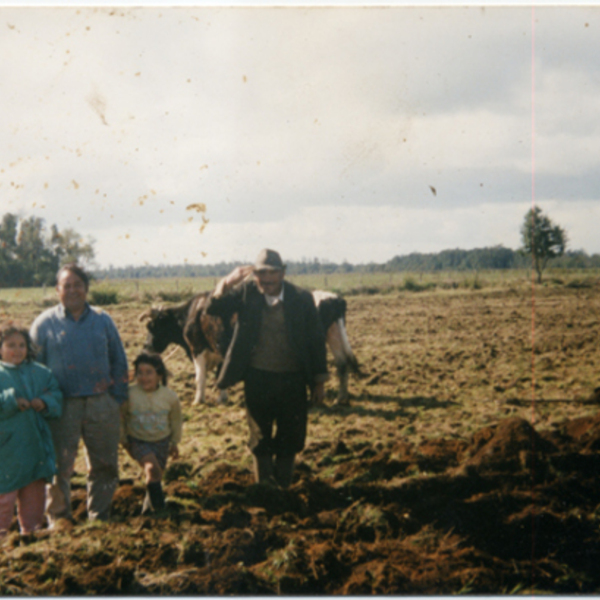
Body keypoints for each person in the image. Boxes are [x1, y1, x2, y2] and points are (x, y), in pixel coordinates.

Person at [206, 248, 328, 488]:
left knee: (290, 437)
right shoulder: (247, 293)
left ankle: (283, 487)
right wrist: (226, 283)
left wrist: (319, 381)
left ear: (283, 273)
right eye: (261, 273)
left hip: (293, 379)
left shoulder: (301, 298)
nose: (267, 279)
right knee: (260, 436)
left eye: (272, 273)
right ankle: (264, 488)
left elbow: (316, 340)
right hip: (257, 378)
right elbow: (215, 308)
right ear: (254, 276)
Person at [30, 264, 128, 525]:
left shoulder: (102, 320)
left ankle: (100, 516)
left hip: (101, 403)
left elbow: (119, 360)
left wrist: (116, 398)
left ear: (86, 289)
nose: (73, 290)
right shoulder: (44, 323)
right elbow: (33, 369)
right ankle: (59, 519)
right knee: (59, 467)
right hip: (61, 407)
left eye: (78, 285)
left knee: (104, 464)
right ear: (57, 290)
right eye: (67, 285)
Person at [0, 325, 63, 537]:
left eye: (21, 345)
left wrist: (44, 402)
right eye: (10, 345)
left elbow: (56, 395)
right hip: (6, 451)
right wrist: (11, 401)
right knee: (4, 498)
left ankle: (31, 536)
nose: (16, 350)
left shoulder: (40, 372)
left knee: (34, 496)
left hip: (36, 448)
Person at [120, 352, 182, 514]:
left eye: (149, 373)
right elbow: (121, 417)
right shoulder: (130, 395)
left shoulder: (170, 397)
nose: (144, 377)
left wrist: (174, 442)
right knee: (152, 469)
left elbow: (175, 420)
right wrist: (123, 440)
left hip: (162, 441)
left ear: (159, 375)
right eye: (140, 373)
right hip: (138, 440)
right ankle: (161, 510)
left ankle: (147, 510)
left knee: (155, 476)